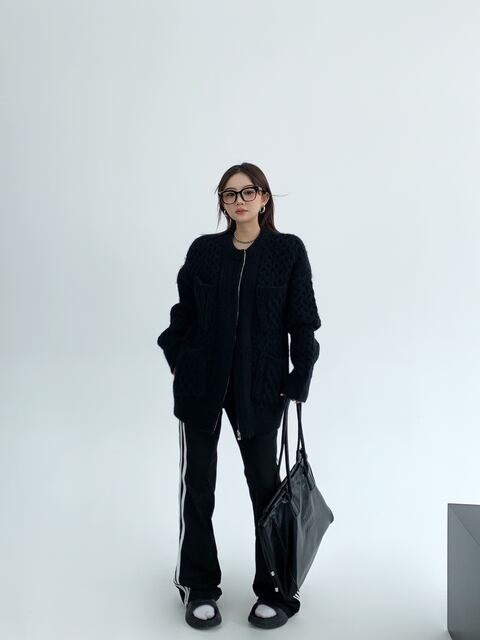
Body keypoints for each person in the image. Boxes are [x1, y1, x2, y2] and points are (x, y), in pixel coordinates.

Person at [157, 162, 322, 629]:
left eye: (248, 192)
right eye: (229, 194)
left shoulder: (287, 251)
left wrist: (299, 375)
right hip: (201, 387)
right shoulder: (204, 251)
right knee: (198, 487)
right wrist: (177, 357)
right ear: (222, 203)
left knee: (266, 490)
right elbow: (184, 312)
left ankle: (276, 589)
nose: (239, 201)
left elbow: (303, 320)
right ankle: (198, 585)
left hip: (261, 387)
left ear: (264, 198)